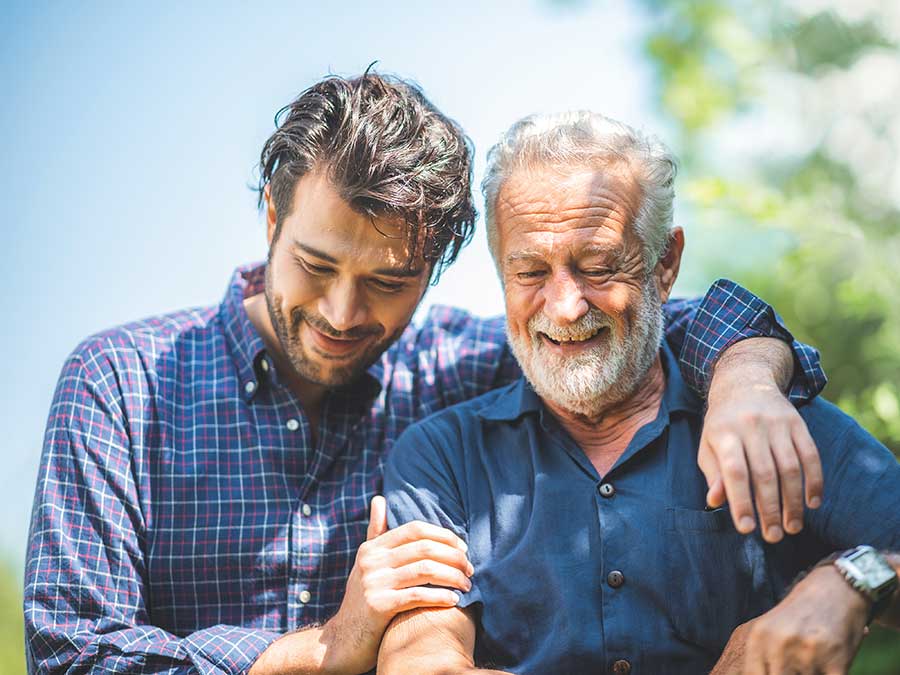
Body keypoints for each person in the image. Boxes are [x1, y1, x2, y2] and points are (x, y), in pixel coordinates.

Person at [25, 74, 827, 675]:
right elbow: (70, 654)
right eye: (314, 264)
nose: (342, 313)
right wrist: (318, 649)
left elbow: (627, 324)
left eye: (387, 282)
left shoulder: (460, 365)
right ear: (272, 217)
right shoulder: (119, 385)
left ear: (436, 269)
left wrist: (748, 377)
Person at [379, 111, 900, 674]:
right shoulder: (441, 454)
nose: (564, 307)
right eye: (529, 271)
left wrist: (849, 579)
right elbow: (420, 664)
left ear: (665, 264)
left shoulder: (762, 416)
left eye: (599, 267)